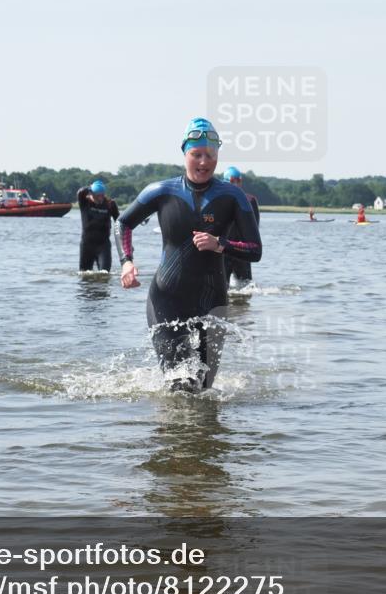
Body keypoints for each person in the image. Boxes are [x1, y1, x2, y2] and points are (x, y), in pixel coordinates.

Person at [117, 117, 262, 392]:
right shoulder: (162, 191)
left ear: (217, 157)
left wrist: (221, 244)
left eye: (210, 155)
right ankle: (176, 434)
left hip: (212, 301)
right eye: (196, 155)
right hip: (166, 299)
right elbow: (123, 222)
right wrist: (127, 262)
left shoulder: (232, 196)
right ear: (185, 153)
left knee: (203, 387)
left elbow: (255, 250)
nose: (203, 162)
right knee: (179, 385)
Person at [222, 166, 260, 286]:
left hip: (243, 250)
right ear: (226, 181)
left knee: (246, 287)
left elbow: (255, 227)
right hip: (224, 249)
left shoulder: (250, 200)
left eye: (239, 180)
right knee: (223, 288)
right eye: (233, 180)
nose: (237, 183)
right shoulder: (219, 199)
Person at [76, 179, 120, 272]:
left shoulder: (110, 204)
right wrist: (90, 188)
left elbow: (120, 222)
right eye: (98, 196)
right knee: (84, 275)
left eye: (102, 195)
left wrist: (125, 242)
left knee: (105, 274)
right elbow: (80, 192)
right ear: (91, 193)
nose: (100, 198)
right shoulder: (84, 202)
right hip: (87, 245)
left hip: (103, 245)